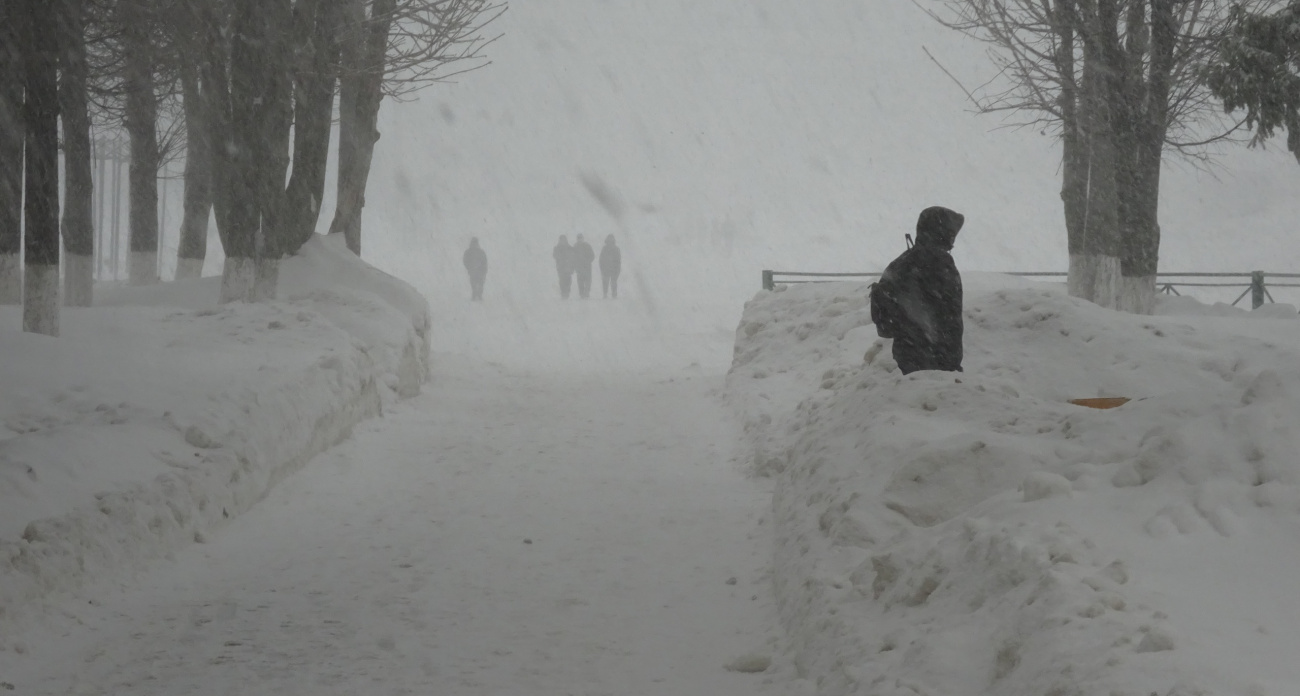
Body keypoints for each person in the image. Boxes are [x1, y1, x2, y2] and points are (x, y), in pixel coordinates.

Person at [870, 206, 965, 375]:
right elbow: (948, 316)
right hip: (937, 358)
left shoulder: (902, 261)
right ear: (942, 232)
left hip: (907, 356)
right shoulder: (939, 262)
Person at [572, 233, 596, 299]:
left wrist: (587, 262)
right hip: (582, 267)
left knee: (585, 280)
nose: (579, 239)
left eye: (580, 238)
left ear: (583, 238)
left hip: (585, 267)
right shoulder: (576, 246)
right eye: (578, 238)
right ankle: (583, 293)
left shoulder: (584, 246)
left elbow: (592, 256)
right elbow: (573, 257)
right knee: (582, 281)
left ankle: (585, 293)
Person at [599, 234, 621, 299]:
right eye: (609, 240)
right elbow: (601, 259)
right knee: (610, 282)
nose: (610, 242)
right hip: (609, 268)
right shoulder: (608, 248)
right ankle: (611, 294)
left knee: (609, 281)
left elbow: (618, 260)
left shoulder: (608, 248)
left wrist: (602, 267)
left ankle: (610, 294)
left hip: (611, 268)